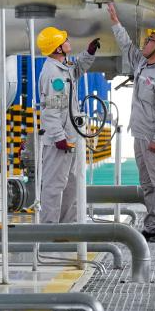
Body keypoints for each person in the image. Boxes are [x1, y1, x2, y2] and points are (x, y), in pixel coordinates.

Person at [106, 3, 155, 242]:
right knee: (147, 184)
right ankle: (153, 225)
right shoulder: (142, 64)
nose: (145, 43)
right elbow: (126, 45)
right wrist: (115, 21)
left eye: (150, 40)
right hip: (140, 134)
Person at [36, 26, 101, 224]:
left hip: (69, 136)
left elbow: (77, 70)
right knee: (54, 186)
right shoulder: (53, 74)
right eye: (65, 40)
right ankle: (49, 228)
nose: (68, 41)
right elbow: (51, 110)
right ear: (57, 49)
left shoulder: (63, 67)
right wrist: (59, 138)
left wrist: (89, 53)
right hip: (60, 140)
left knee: (72, 183)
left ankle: (66, 226)